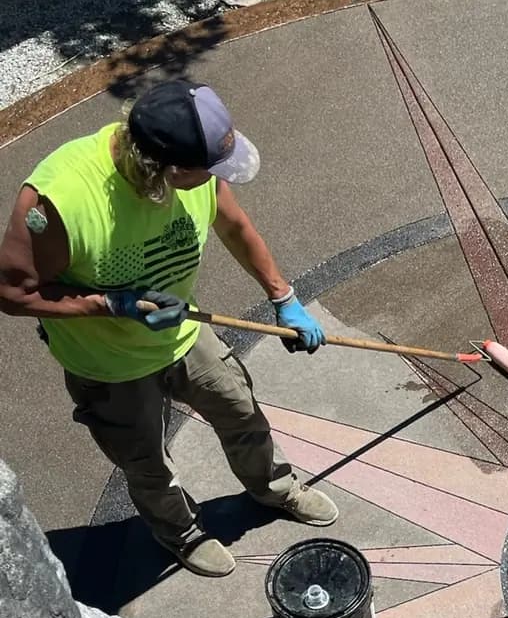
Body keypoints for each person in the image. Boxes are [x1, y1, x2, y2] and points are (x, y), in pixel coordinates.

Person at [0, 79, 339, 578]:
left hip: (183, 332)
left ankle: (275, 486)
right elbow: (12, 292)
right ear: (168, 170)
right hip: (109, 366)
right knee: (147, 464)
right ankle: (180, 530)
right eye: (209, 171)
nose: (216, 180)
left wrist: (283, 298)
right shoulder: (61, 200)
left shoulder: (195, 168)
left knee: (240, 411)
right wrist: (111, 305)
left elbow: (235, 226)